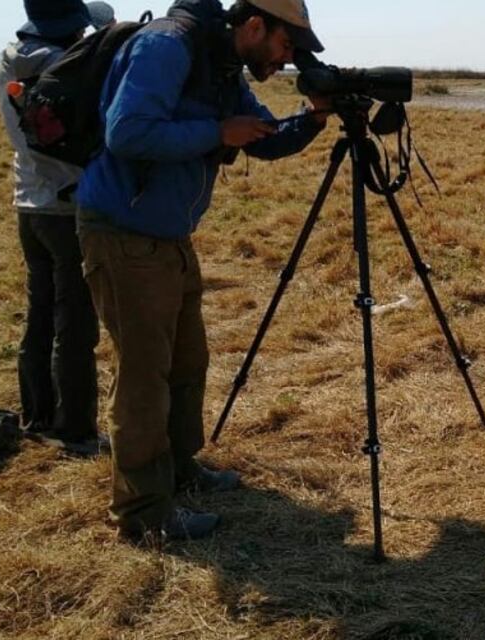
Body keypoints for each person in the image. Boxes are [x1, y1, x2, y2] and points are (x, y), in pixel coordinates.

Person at [76, 0, 330, 543]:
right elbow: (127, 132)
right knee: (144, 376)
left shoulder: (220, 67)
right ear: (256, 25)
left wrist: (313, 118)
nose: (286, 61)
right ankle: (144, 514)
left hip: (167, 235)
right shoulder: (167, 47)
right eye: (286, 47)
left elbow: (259, 136)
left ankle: (180, 470)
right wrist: (218, 131)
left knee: (187, 360)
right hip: (124, 232)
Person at [0, 0, 104, 457]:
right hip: (66, 205)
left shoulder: (8, 57)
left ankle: (37, 414)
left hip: (28, 203)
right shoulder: (63, 64)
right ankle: (75, 429)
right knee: (75, 321)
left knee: (39, 314)